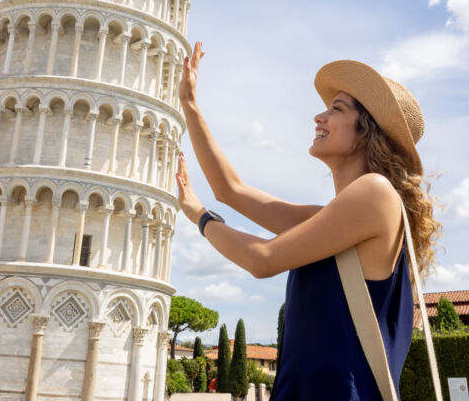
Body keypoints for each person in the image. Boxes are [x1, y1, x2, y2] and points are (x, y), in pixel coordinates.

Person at [175, 42, 440, 400]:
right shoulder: (331, 221)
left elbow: (261, 259)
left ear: (367, 130)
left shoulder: (376, 194)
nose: (319, 117)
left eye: (336, 109)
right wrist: (190, 106)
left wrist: (202, 218)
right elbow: (230, 190)